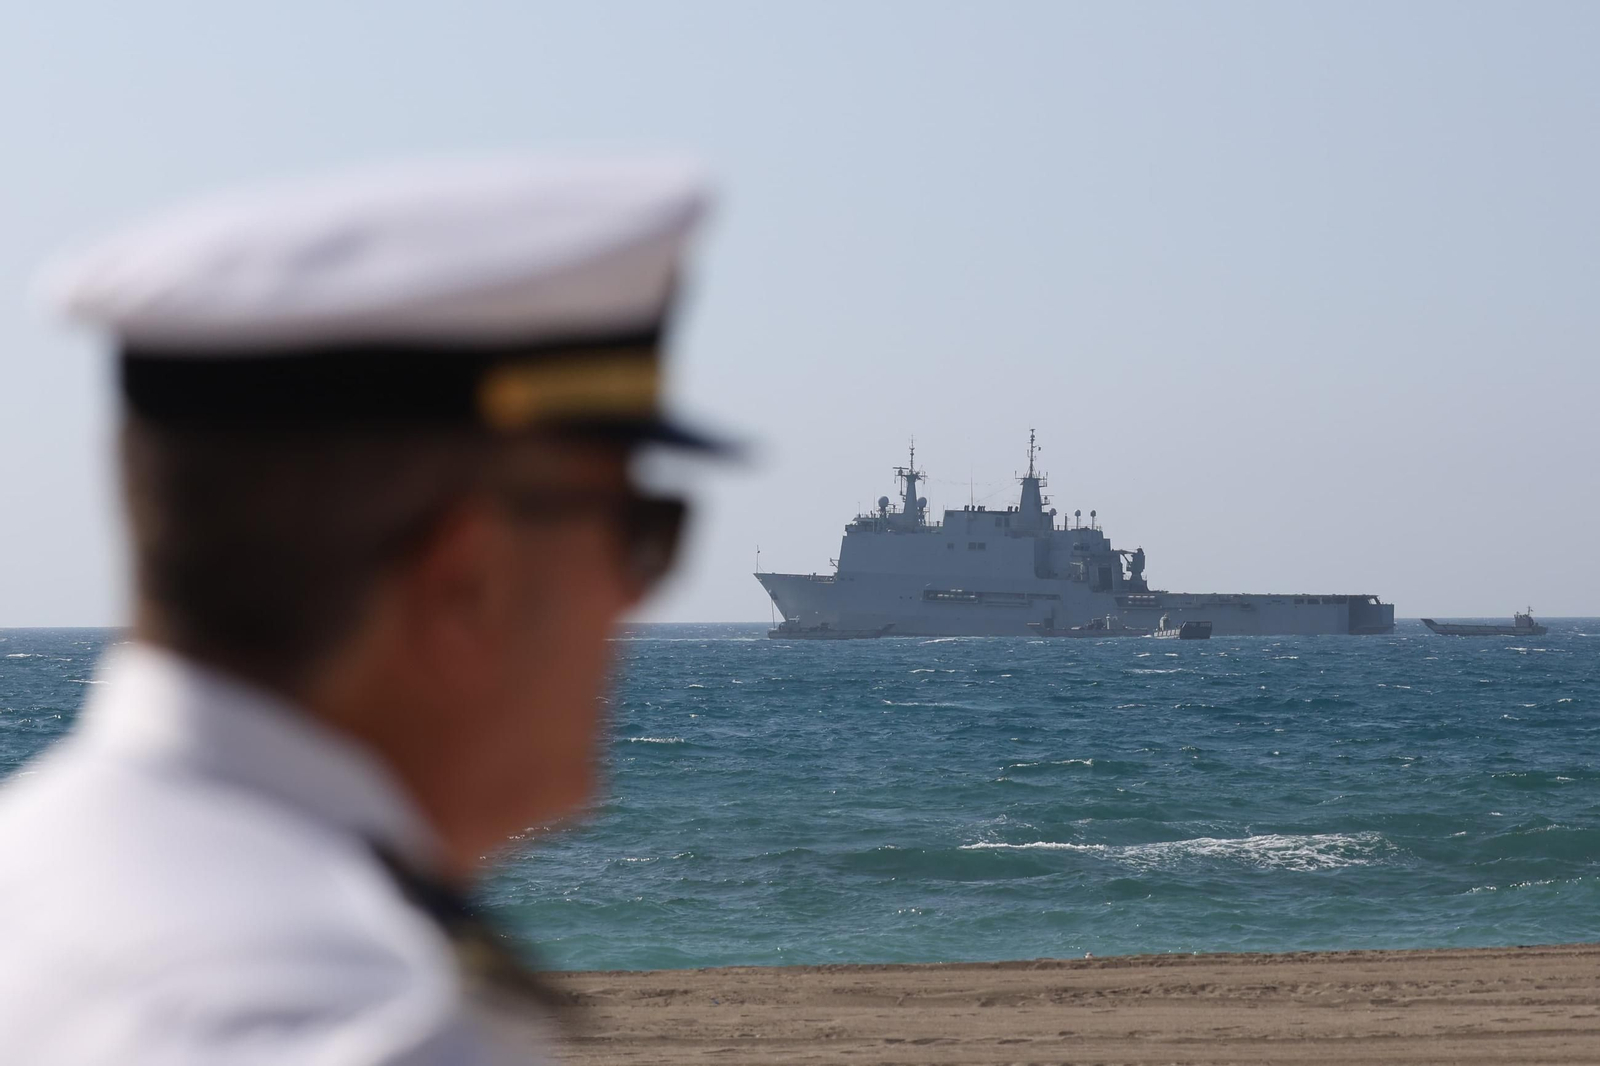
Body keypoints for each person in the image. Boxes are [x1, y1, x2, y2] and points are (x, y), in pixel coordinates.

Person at [0, 158, 728, 1063]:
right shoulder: (362, 1030)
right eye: (641, 530)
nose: (637, 592)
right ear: (470, 579)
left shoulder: (31, 872)